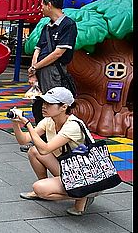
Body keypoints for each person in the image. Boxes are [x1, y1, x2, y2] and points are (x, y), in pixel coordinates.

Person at [10, 87, 97, 216]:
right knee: (34, 151)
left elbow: (45, 149)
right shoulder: (49, 121)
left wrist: (27, 124)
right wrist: (16, 123)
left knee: (39, 188)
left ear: (64, 107)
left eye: (49, 104)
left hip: (86, 175)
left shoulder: (72, 125)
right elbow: (24, 140)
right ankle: (50, 186)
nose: (44, 106)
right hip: (69, 167)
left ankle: (84, 195)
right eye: (44, 102)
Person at [28, 0, 78, 124]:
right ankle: (41, 141)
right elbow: (37, 49)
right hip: (41, 71)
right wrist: (33, 71)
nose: (41, 8)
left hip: (54, 72)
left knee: (52, 108)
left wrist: (35, 67)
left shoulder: (68, 25)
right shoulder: (46, 27)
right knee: (38, 106)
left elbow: (58, 53)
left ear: (49, 5)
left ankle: (53, 142)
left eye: (42, 5)